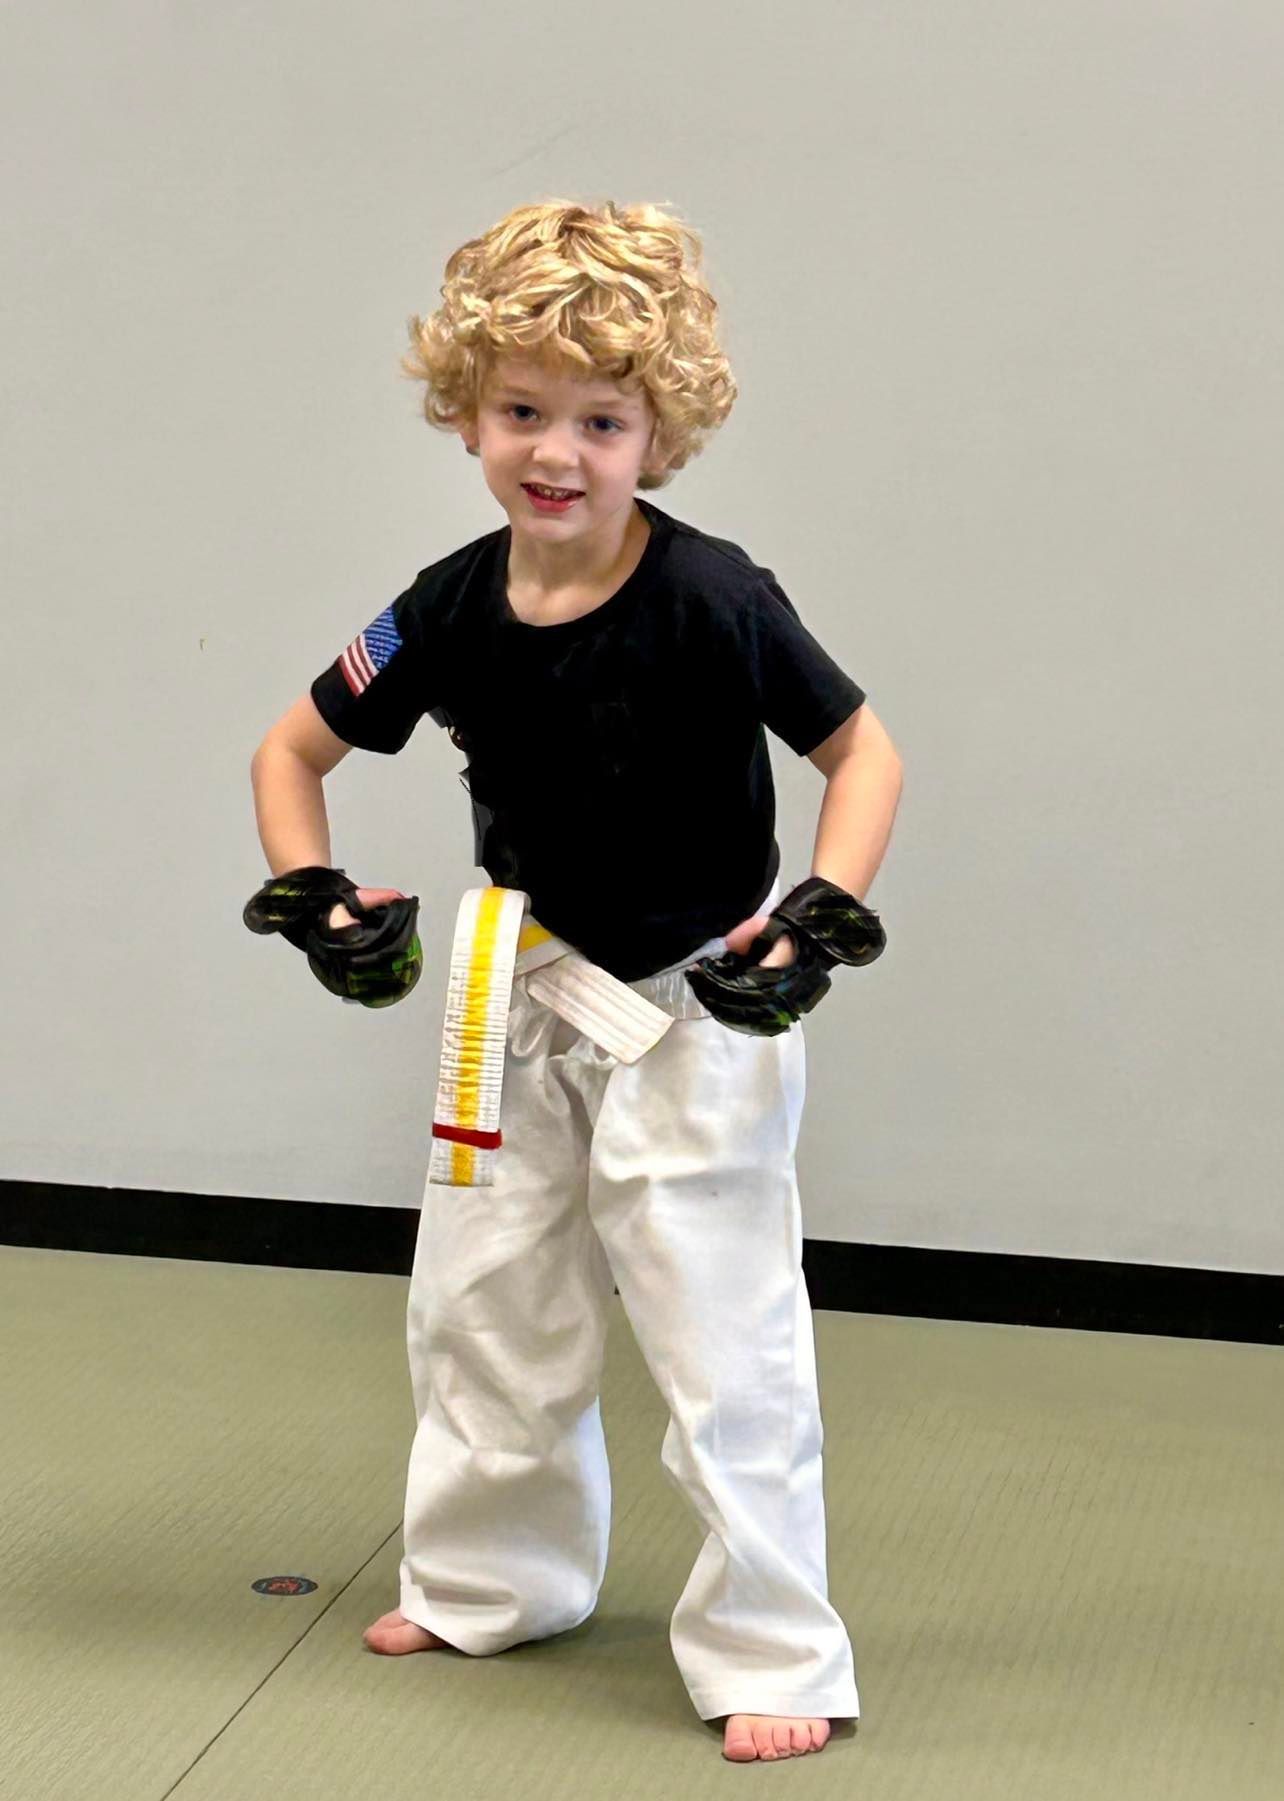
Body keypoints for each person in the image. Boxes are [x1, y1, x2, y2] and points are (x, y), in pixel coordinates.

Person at [249, 197, 904, 1764]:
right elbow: (291, 749)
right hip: (516, 993)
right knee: (483, 1303)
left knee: (720, 1332)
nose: (556, 451)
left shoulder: (716, 595)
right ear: (466, 411)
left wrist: (818, 912)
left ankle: (772, 1649)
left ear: (658, 433)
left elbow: (861, 749)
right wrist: (318, 890)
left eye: (601, 420)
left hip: (697, 1002)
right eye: (521, 409)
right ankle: (491, 1582)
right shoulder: (450, 601)